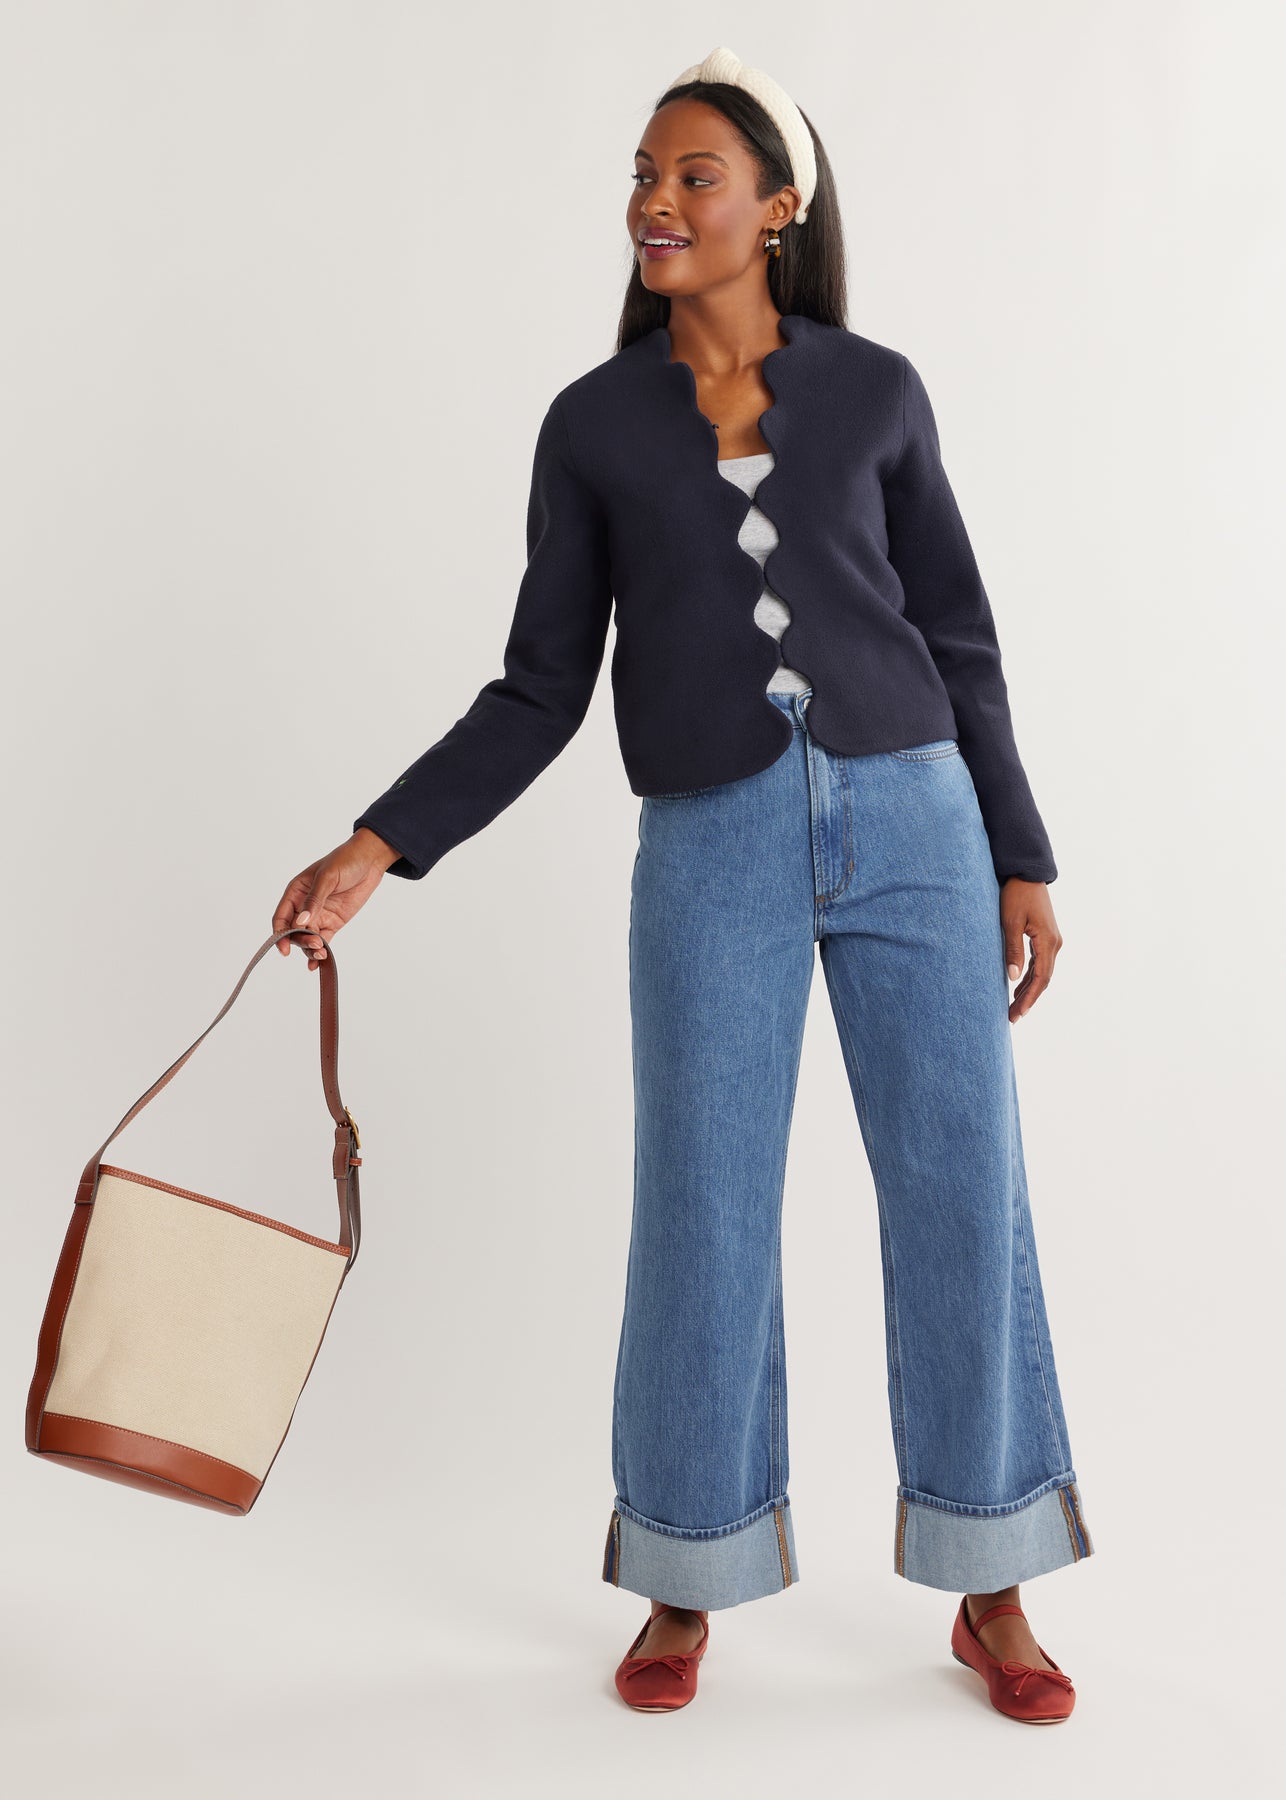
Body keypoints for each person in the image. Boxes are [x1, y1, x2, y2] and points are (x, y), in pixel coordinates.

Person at [271, 46, 1092, 1726]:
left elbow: (959, 640)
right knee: (702, 1205)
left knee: (960, 1190)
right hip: (711, 839)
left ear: (775, 207)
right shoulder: (591, 426)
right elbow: (537, 688)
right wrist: (379, 844)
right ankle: (683, 1568)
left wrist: (1018, 852)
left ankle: (992, 1576)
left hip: (917, 823)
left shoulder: (877, 392)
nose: (654, 201)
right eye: (643, 175)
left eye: (692, 176)